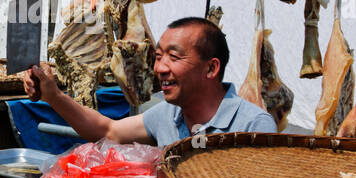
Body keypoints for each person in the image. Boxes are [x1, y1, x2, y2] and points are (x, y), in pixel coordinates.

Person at [23, 16, 276, 147]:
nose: (159, 68)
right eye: (157, 57)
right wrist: (53, 96)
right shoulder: (168, 115)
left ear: (211, 68)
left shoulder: (253, 124)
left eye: (173, 57)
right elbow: (107, 131)